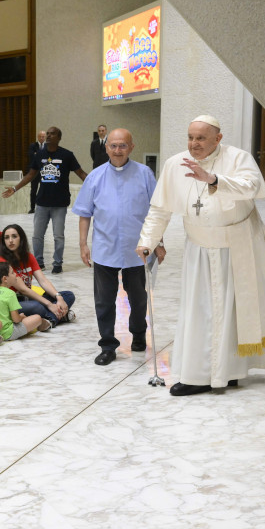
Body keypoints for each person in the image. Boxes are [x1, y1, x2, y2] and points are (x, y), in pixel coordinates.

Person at [137, 115, 265, 395]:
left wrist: (214, 179)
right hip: (200, 249)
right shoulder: (174, 164)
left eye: (201, 138)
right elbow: (160, 208)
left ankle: (229, 371)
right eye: (190, 137)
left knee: (234, 312)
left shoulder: (238, 158)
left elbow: (251, 187)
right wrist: (147, 240)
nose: (194, 144)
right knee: (201, 311)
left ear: (218, 138)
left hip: (238, 246)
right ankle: (198, 374)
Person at [72, 128, 161, 365]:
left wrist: (158, 242)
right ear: (106, 147)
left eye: (123, 146)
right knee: (104, 300)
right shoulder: (95, 176)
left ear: (131, 147)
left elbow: (156, 212)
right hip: (104, 249)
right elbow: (84, 214)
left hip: (137, 250)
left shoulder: (145, 174)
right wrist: (83, 244)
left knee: (138, 298)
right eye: (113, 146)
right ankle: (108, 345)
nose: (117, 150)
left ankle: (139, 333)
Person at [2, 126, 88, 274]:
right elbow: (30, 175)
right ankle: (39, 262)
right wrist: (15, 189)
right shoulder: (40, 154)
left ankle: (57, 263)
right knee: (37, 235)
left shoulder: (67, 155)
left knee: (58, 236)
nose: (48, 136)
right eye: (47, 133)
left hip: (60, 204)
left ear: (59, 137)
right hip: (41, 202)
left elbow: (81, 173)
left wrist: (98, 185)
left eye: (52, 134)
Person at [27, 130, 46, 213]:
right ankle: (32, 208)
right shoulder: (33, 145)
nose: (42, 138)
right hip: (34, 172)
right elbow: (31, 155)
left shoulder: (48, 146)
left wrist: (37, 154)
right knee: (33, 190)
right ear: (38, 137)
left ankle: (42, 207)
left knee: (43, 190)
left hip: (44, 171)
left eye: (43, 136)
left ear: (45, 137)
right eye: (40, 136)